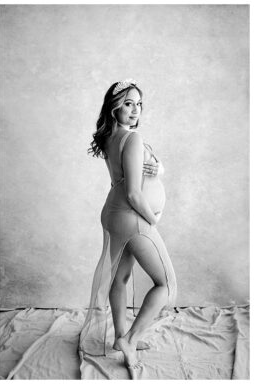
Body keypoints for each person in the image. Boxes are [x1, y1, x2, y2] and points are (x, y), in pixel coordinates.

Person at [79, 80, 176, 379]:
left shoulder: (111, 136)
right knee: (168, 286)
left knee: (120, 278)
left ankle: (121, 333)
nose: (135, 110)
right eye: (128, 103)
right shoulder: (132, 139)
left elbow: (124, 178)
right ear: (114, 107)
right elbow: (134, 193)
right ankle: (129, 340)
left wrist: (157, 168)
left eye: (139, 104)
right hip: (131, 216)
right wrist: (153, 219)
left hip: (113, 213)